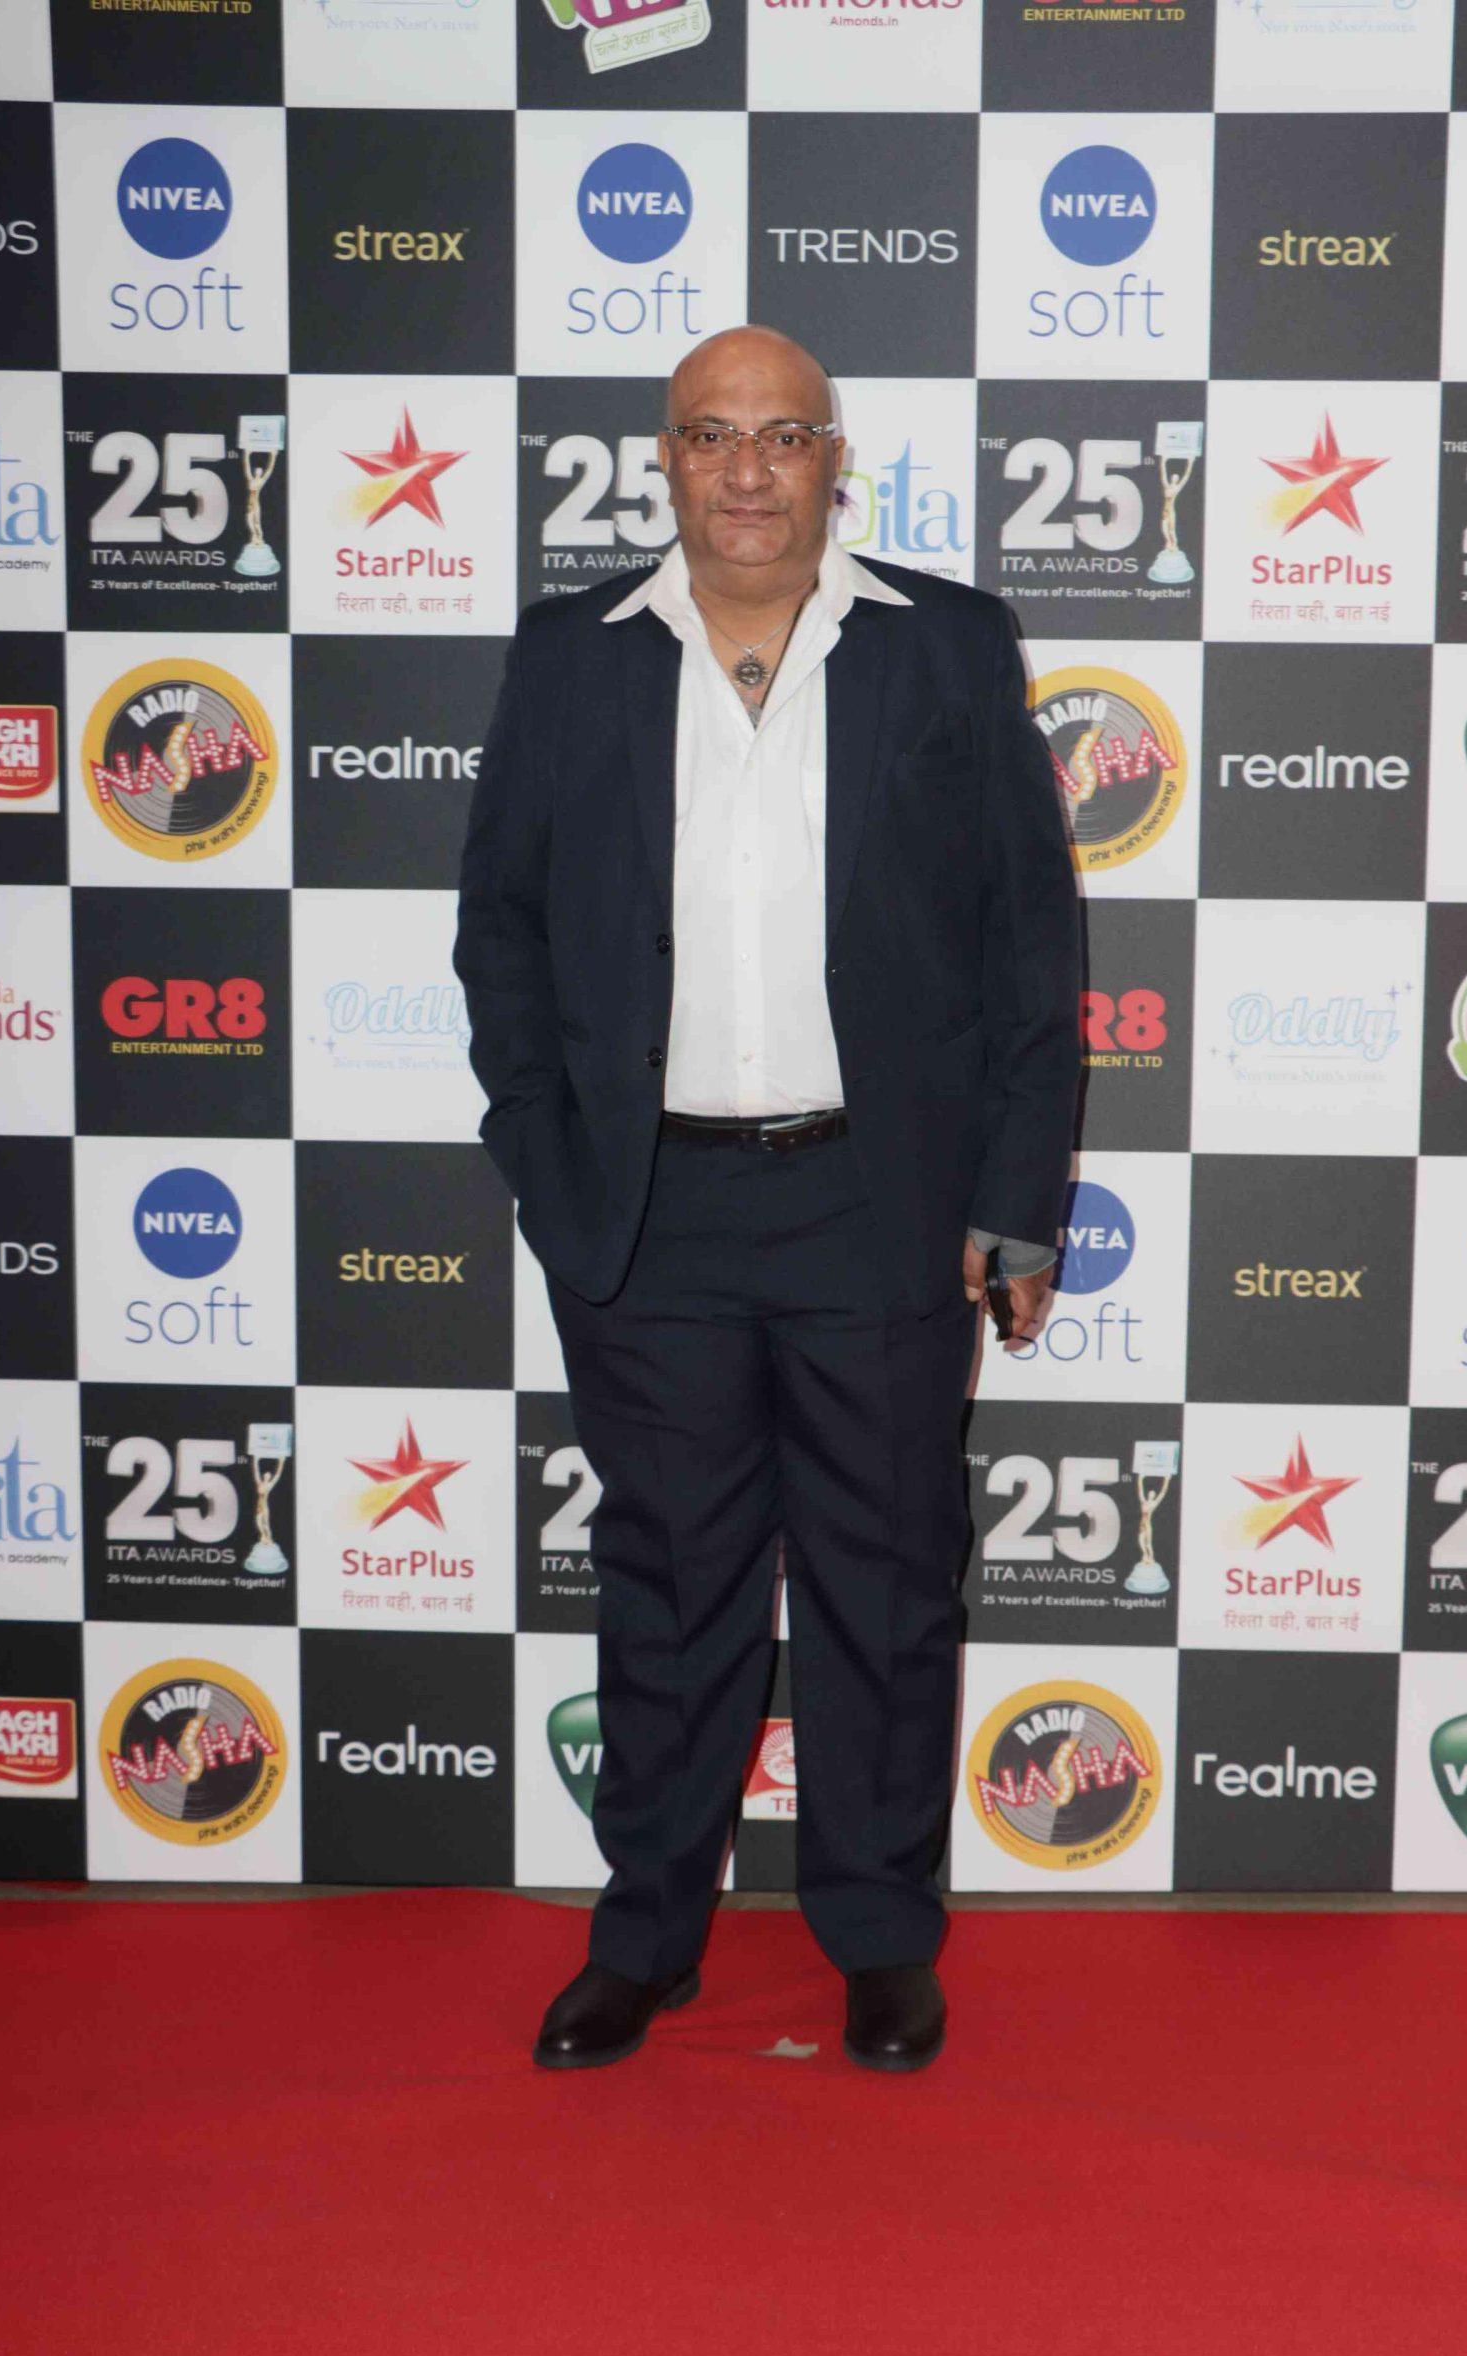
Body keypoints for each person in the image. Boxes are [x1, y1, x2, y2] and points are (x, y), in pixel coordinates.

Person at [453, 327, 1079, 2073]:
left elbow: (1031, 944)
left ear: (832, 462)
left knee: (885, 1584)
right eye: (711, 436)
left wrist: (1013, 1196)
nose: (746, 471)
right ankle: (645, 1939)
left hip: (879, 1201)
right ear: (663, 460)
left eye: (782, 436)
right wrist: (546, 1154)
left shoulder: (945, 643)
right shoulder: (569, 653)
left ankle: (878, 1937)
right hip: (646, 1210)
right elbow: (500, 926)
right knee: (668, 1584)